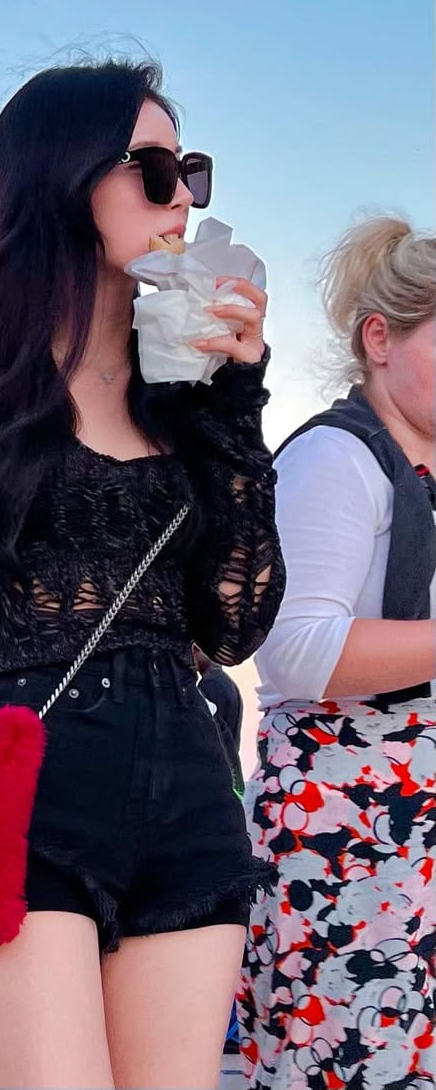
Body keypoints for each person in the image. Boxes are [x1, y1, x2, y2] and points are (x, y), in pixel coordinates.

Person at [0, 61, 286, 1090]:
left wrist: (239, 400)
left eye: (192, 172)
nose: (183, 199)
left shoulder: (191, 396)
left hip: (189, 793)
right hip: (26, 790)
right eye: (155, 170)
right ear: (65, 178)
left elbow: (235, 621)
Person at [240, 217, 436, 1088]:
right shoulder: (335, 457)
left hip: (397, 839)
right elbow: (297, 649)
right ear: (380, 338)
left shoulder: (417, 472)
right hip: (351, 841)